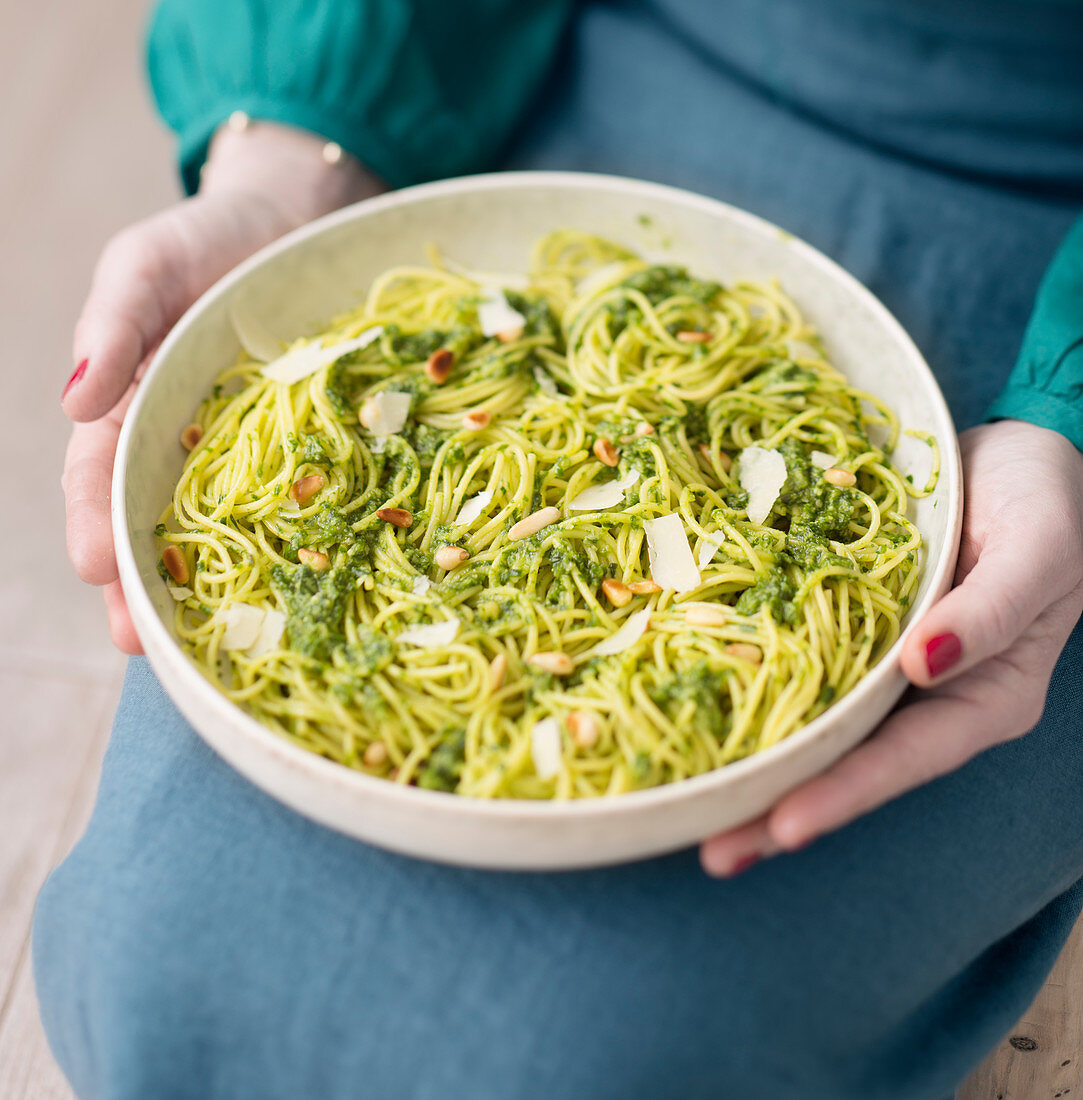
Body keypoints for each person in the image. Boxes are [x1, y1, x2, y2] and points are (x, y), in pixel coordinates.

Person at [41, 0, 1083, 1096]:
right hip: (572, 94)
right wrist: (303, 143)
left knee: (580, 1061)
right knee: (164, 967)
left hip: (1035, 254)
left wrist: (1071, 410)